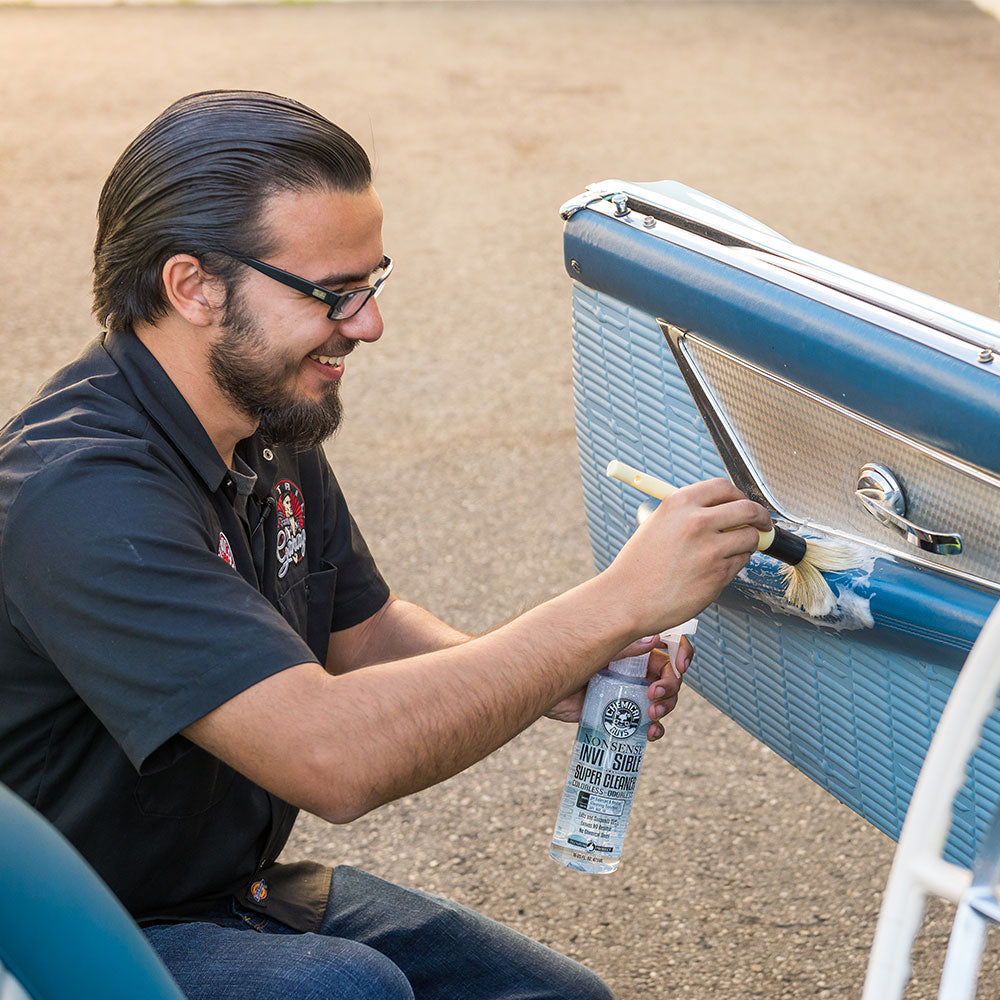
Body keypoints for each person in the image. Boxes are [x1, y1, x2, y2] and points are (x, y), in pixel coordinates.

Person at [0, 90, 771, 1000]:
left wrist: (553, 666)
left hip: (208, 893)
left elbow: (360, 631)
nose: (368, 323)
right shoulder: (82, 497)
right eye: (334, 293)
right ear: (193, 287)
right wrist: (612, 604)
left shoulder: (260, 420)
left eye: (374, 283)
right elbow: (332, 760)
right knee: (348, 992)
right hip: (49, 937)